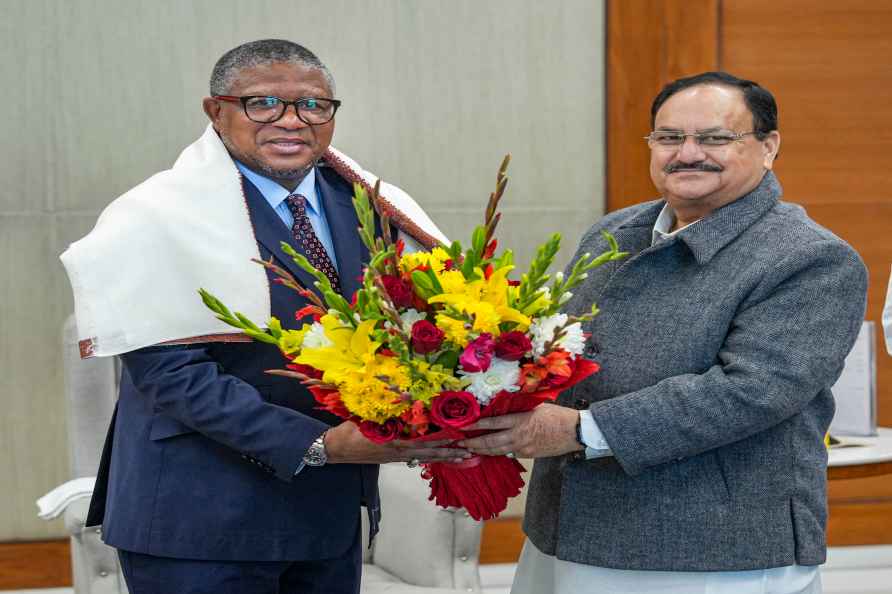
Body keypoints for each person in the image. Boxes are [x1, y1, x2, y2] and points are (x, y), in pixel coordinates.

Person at [61, 39, 465, 594]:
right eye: (263, 104)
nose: (291, 121)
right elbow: (170, 376)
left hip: (329, 512)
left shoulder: (371, 205)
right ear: (215, 111)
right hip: (199, 519)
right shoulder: (155, 216)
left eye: (313, 105)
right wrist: (320, 445)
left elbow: (424, 329)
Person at [460, 71, 868, 593]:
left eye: (716, 138)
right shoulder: (613, 232)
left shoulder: (811, 258)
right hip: (565, 529)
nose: (688, 153)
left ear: (769, 148)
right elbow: (560, 349)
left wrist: (579, 430)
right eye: (670, 137)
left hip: (709, 549)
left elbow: (750, 392)